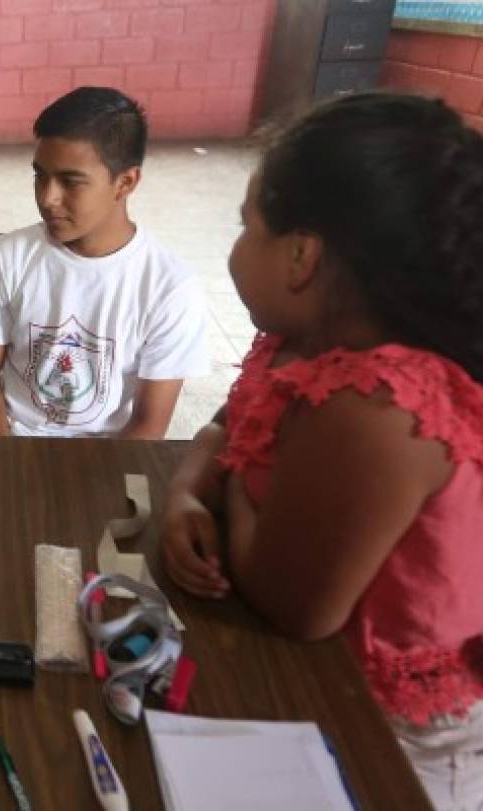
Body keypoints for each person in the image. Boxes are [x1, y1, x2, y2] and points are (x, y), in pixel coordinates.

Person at [160, 93, 483, 810]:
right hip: (315, 682)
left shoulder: (374, 407)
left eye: (246, 226)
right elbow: (224, 424)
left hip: (390, 742)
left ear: (302, 256)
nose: (234, 248)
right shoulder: (305, 341)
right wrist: (188, 488)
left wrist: (229, 479)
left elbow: (295, 603)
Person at [0, 86, 208, 438]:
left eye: (70, 182)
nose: (47, 197)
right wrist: (8, 461)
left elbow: (148, 425)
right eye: (39, 175)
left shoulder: (170, 288)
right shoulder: (9, 256)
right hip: (12, 446)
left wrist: (101, 488)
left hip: (109, 464)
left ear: (126, 183)